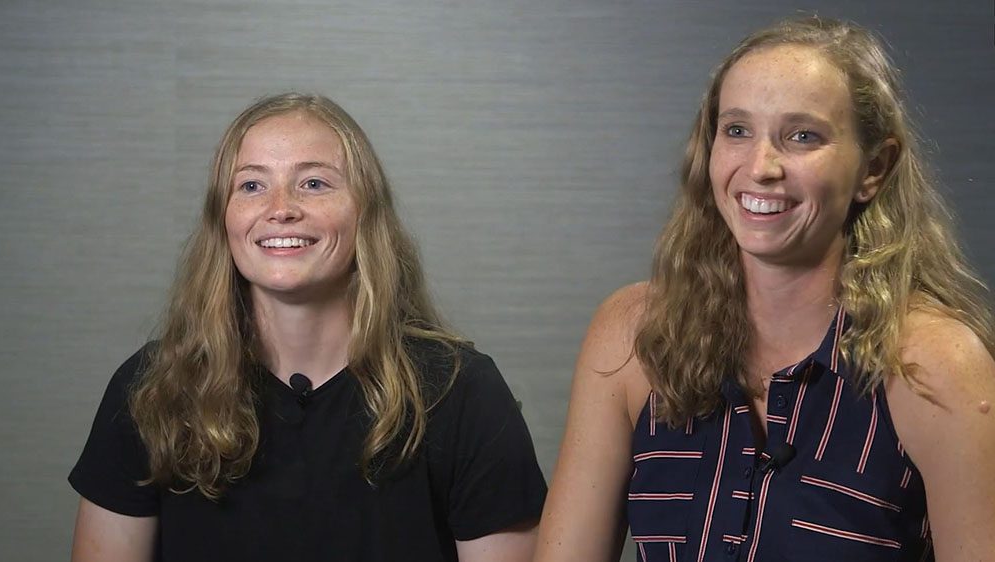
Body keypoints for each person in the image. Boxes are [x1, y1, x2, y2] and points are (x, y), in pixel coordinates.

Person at [535, 16, 995, 562]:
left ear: (874, 168)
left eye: (803, 136)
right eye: (737, 130)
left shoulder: (937, 364)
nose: (761, 167)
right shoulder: (630, 335)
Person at [69, 93, 546, 562]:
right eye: (252, 186)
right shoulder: (151, 387)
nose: (280, 208)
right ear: (223, 218)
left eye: (314, 183)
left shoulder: (462, 392)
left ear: (365, 213)